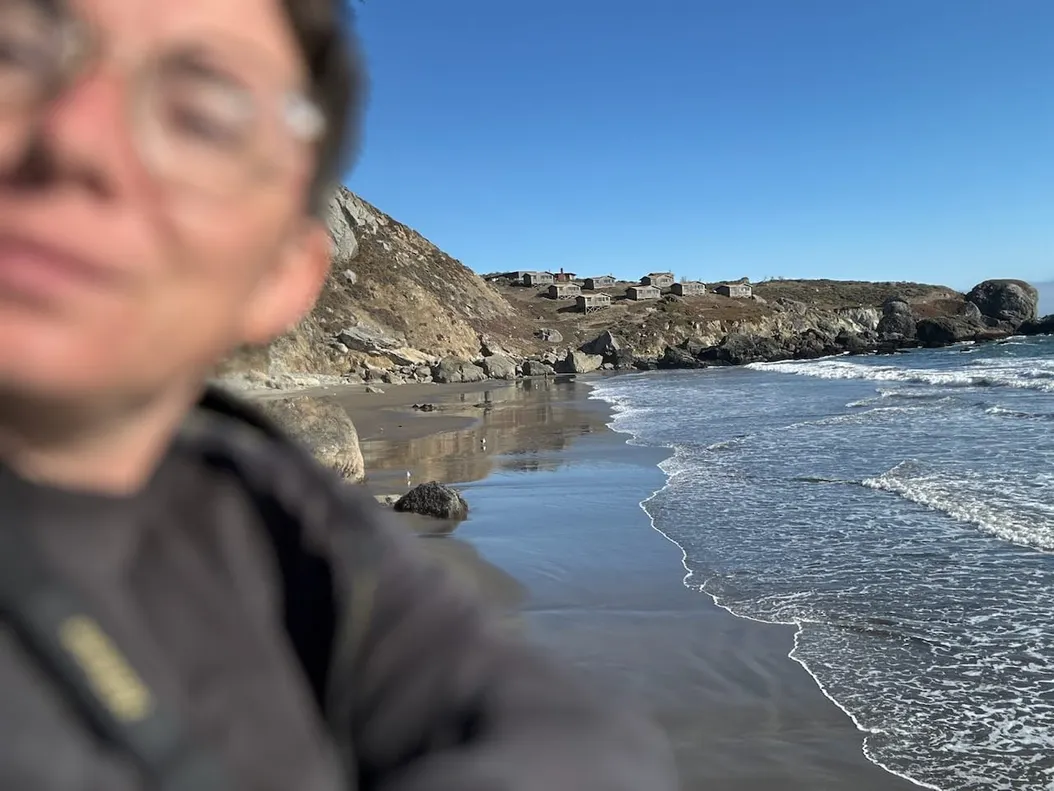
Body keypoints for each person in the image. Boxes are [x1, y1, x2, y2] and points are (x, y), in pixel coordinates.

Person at [0, 0, 679, 789]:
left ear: (283, 275)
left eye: (201, 116)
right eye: (15, 52)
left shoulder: (262, 509)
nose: (75, 135)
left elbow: (569, 736)